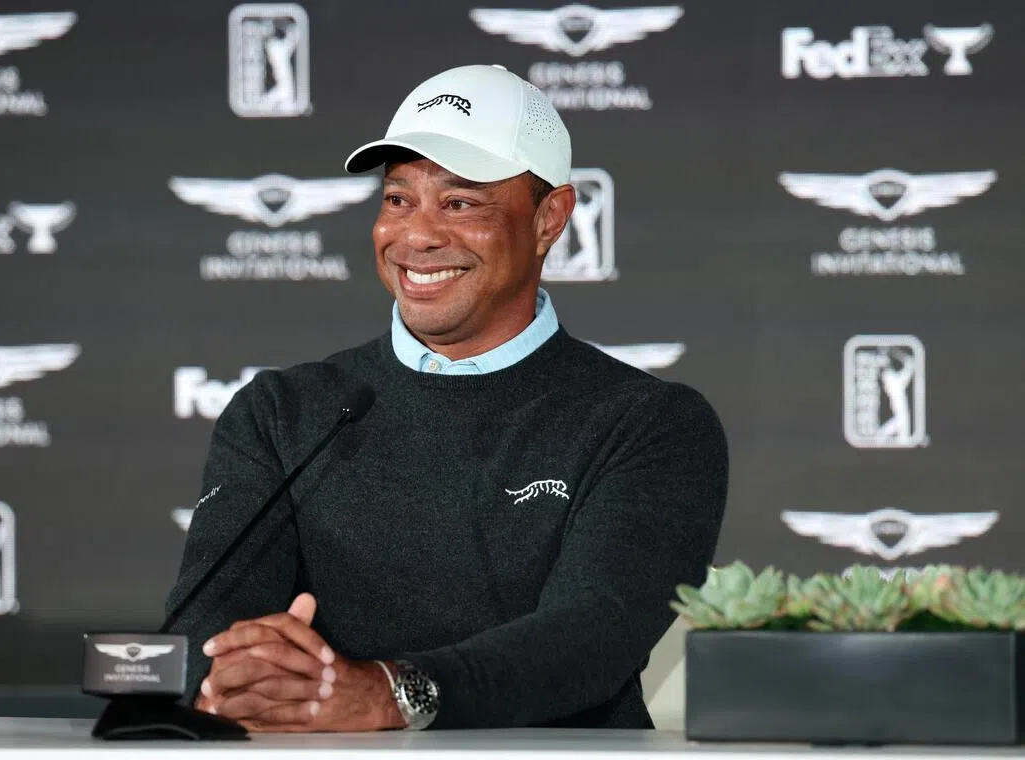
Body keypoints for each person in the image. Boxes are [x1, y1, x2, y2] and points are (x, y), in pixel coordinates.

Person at [166, 64, 728, 733]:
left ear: (549, 219)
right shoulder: (285, 411)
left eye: (460, 203)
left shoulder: (649, 421)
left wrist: (387, 695)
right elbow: (211, 625)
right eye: (398, 200)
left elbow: (594, 634)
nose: (417, 236)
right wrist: (234, 676)